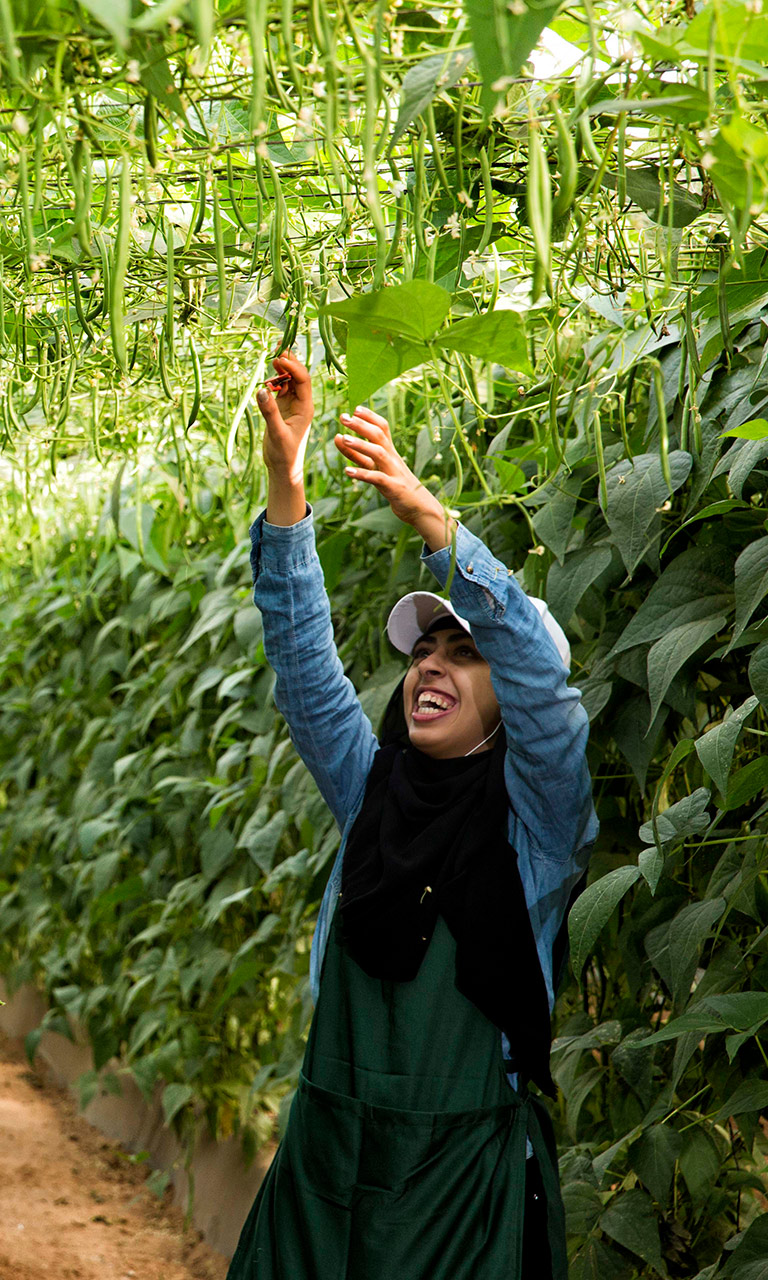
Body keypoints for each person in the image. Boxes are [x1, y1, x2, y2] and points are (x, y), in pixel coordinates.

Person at [228, 355, 596, 1280]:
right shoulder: (371, 792)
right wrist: (286, 486)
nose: (430, 666)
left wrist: (439, 530)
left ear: (504, 689)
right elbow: (306, 666)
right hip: (330, 1155)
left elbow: (547, 695)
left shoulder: (538, 823)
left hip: (458, 1180)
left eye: (461, 654)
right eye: (422, 651)